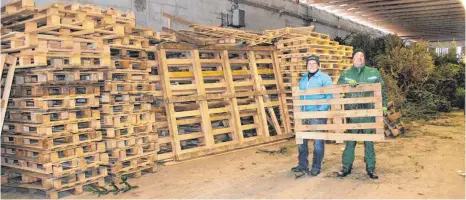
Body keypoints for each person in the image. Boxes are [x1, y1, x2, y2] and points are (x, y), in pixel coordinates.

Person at [335, 49, 388, 179]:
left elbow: (382, 90)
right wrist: (347, 84)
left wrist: (384, 105)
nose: (360, 58)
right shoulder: (346, 74)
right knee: (350, 142)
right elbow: (337, 88)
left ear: (364, 59)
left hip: (368, 112)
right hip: (352, 113)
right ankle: (346, 167)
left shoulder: (373, 72)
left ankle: (371, 168)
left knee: (369, 141)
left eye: (362, 56)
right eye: (357, 56)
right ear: (352, 59)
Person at [291, 55, 333, 176]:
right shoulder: (303, 79)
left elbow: (330, 96)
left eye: (314, 63)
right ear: (307, 66)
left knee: (318, 142)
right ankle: (302, 165)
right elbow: (299, 96)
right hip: (303, 114)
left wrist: (321, 110)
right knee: (301, 141)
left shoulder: (324, 78)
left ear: (318, 65)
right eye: (310, 64)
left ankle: (316, 166)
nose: (312, 65)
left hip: (317, 114)